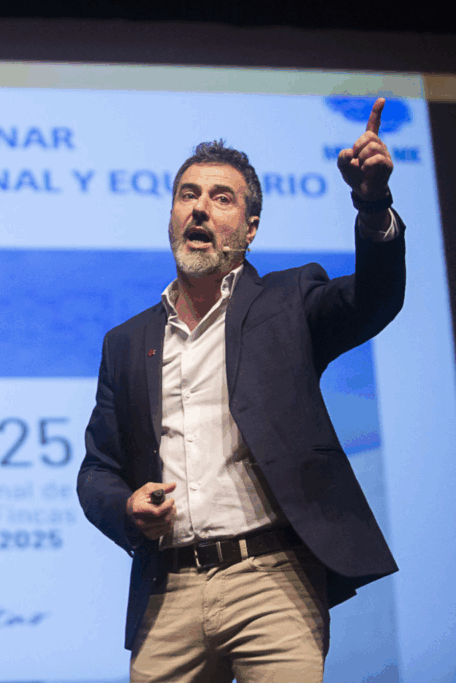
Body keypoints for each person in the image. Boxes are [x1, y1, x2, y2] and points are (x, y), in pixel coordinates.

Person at [76, 97, 404, 683]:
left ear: (249, 229)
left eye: (221, 199)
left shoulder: (288, 302)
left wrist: (372, 201)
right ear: (172, 216)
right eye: (188, 195)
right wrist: (126, 508)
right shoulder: (126, 342)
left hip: (271, 582)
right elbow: (97, 470)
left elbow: (375, 299)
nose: (199, 209)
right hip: (168, 591)